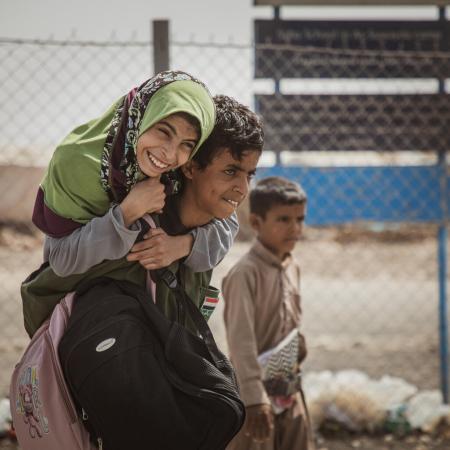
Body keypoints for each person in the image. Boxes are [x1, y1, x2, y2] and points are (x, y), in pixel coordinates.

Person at [21, 92, 264, 336]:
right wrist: (125, 215)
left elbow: (228, 222)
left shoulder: (206, 216)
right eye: (230, 171)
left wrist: (184, 245)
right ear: (190, 167)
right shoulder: (125, 197)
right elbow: (59, 262)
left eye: (249, 175)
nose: (244, 189)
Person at [222, 176, 315, 450]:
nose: (295, 228)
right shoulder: (244, 274)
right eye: (283, 220)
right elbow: (241, 344)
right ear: (256, 223)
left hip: (287, 386)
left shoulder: (292, 266)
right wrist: (253, 398)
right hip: (255, 395)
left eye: (300, 219)